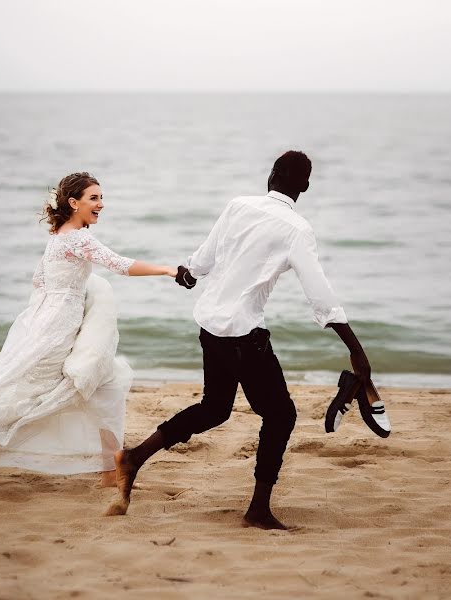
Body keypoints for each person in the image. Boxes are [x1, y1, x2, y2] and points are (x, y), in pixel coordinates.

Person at [106, 151, 371, 530]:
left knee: (215, 408)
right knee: (281, 415)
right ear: (305, 186)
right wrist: (356, 349)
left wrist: (190, 274)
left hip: (210, 326)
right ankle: (258, 510)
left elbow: (204, 258)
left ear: (272, 175)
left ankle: (135, 457)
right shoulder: (298, 230)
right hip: (243, 336)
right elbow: (320, 295)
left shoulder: (238, 206)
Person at [0, 172, 177, 491]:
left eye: (102, 198)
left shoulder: (58, 237)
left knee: (106, 383)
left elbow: (39, 281)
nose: (101, 204)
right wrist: (168, 269)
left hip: (51, 323)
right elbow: (119, 264)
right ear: (73, 203)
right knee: (22, 398)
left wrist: (70, 300)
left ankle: (108, 474)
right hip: (56, 331)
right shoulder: (78, 238)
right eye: (94, 198)